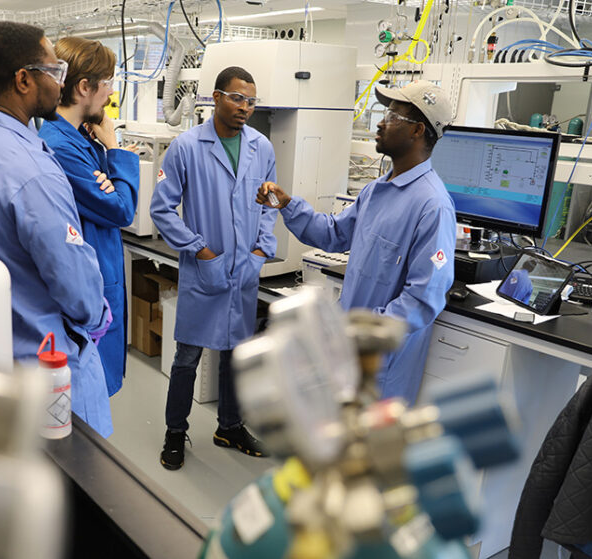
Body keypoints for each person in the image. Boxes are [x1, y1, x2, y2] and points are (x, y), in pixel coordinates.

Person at [0, 22, 113, 437]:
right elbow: (74, 281)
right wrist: (96, 314)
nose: (61, 84)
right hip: (47, 369)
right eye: (54, 73)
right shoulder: (31, 172)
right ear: (23, 80)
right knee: (81, 488)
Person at [257, 81, 456, 404]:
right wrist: (288, 205)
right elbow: (334, 234)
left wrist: (361, 333)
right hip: (345, 353)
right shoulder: (377, 190)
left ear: (418, 130)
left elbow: (423, 297)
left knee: (368, 449)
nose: (380, 122)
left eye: (392, 116)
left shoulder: (432, 206)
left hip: (381, 365)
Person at [150, 66, 277, 470]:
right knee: (187, 356)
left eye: (252, 101)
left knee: (235, 354)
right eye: (238, 98)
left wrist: (262, 250)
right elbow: (161, 209)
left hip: (243, 272)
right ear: (216, 97)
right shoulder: (187, 147)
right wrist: (198, 249)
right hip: (206, 271)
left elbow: (269, 205)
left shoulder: (262, 148)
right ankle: (175, 432)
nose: (245, 108)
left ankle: (230, 427)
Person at [38, 36, 139, 398]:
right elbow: (121, 209)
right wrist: (114, 148)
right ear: (84, 87)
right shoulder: (64, 147)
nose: (110, 95)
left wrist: (108, 176)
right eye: (108, 83)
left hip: (99, 281)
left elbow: (112, 199)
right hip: (89, 293)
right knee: (87, 403)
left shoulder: (77, 138)